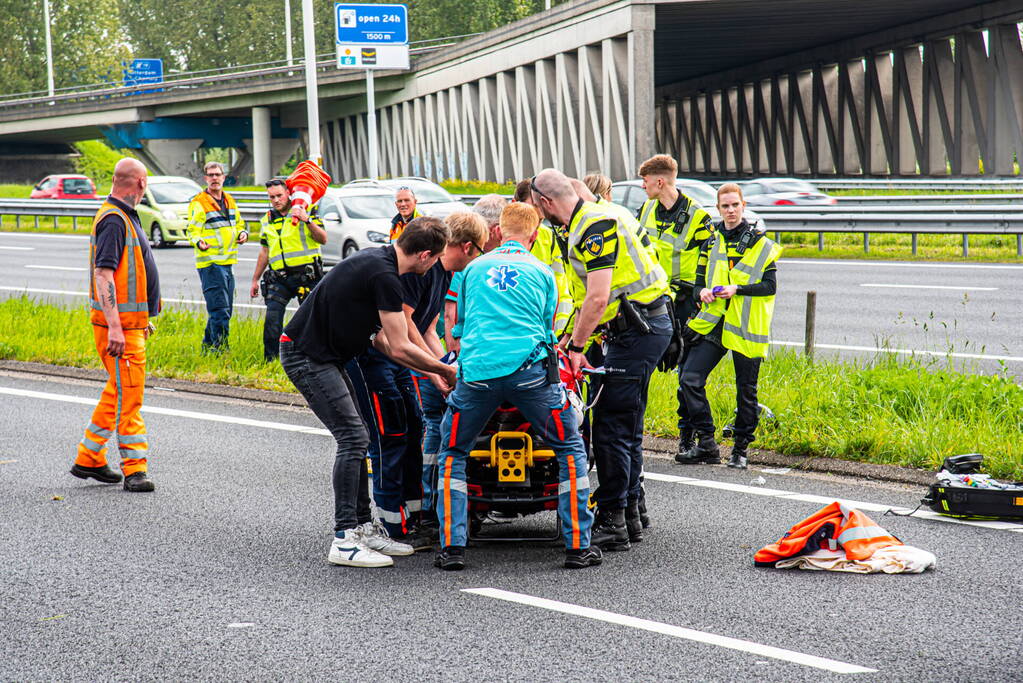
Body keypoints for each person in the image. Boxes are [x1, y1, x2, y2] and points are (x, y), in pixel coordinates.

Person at [279, 220, 458, 568]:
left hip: (329, 357)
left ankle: (362, 525)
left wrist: (432, 372)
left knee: (359, 436)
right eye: (434, 259)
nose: (434, 266)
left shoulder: (381, 264)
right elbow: (402, 346)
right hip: (306, 355)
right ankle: (345, 538)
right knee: (353, 438)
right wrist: (445, 369)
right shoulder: (386, 276)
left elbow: (385, 343)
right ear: (424, 255)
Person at [435, 202, 600, 571]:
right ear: (535, 234)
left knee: (453, 453)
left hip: (477, 376)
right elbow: (547, 328)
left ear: (497, 232)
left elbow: (458, 328)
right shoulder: (542, 271)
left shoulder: (472, 270)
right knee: (570, 449)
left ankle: (451, 548)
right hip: (530, 377)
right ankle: (578, 546)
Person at [530, 169, 671, 551]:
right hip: (639, 326)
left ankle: (612, 521)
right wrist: (569, 339)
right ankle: (630, 514)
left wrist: (575, 349)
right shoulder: (592, 216)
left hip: (637, 329)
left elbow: (597, 297)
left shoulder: (592, 226)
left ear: (544, 202)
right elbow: (590, 302)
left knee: (610, 427)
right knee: (625, 423)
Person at [354, 214, 487, 546]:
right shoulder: (422, 271)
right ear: (468, 247)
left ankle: (413, 517)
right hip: (377, 358)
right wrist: (436, 371)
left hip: (398, 360)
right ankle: (388, 526)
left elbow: (429, 328)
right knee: (390, 437)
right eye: (479, 252)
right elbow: (407, 325)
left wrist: (445, 364)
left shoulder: (445, 275)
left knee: (413, 430)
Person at [676, 183, 782, 469]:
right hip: (714, 324)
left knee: (745, 390)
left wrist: (737, 289)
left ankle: (741, 449)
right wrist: (702, 293)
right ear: (718, 208)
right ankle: (708, 443)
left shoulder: (759, 243)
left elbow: (770, 287)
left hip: (745, 326)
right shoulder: (710, 242)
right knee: (689, 379)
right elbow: (698, 282)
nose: (731, 210)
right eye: (725, 206)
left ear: (743, 206)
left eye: (735, 205)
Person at [72, 158, 161, 493]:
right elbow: (103, 274)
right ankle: (135, 469)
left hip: (128, 324)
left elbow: (128, 277)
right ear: (139, 183)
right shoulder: (114, 219)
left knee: (119, 391)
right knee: (130, 397)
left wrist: (139, 321)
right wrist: (116, 327)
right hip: (119, 327)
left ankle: (89, 457)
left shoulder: (122, 216)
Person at [635, 154, 715, 458]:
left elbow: (708, 262)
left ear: (660, 181)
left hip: (684, 302)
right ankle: (635, 432)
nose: (642, 187)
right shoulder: (645, 210)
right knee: (641, 369)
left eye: (645, 181)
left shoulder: (697, 216)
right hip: (651, 301)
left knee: (685, 373)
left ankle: (687, 437)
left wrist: (696, 299)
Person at [248, 178, 327, 362]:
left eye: (279, 196)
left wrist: (307, 220)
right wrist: (255, 279)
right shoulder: (267, 219)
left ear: (288, 194)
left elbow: (323, 239)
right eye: (271, 197)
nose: (276, 200)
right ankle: (272, 361)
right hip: (280, 279)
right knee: (272, 321)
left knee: (311, 321)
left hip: (307, 277)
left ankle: (315, 360)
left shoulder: (306, 210)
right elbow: (265, 251)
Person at [187, 161, 248, 352]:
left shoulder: (229, 199)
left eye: (217, 174)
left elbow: (238, 223)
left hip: (227, 262)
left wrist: (242, 233)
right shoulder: (199, 202)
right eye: (211, 175)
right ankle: (221, 350)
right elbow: (192, 230)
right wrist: (198, 242)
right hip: (211, 263)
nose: (214, 178)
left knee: (224, 310)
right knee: (220, 310)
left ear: (223, 177)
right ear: (206, 178)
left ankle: (207, 347)